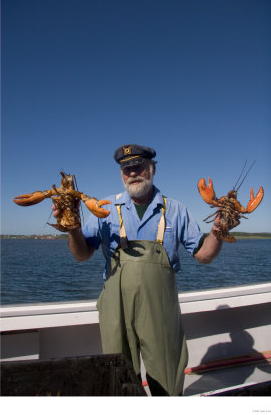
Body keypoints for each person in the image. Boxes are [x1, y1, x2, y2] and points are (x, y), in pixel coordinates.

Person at [52, 144, 237, 396]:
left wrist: (218, 230)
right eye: (126, 168)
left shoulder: (176, 210)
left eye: (139, 166)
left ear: (152, 168)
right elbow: (82, 254)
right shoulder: (104, 208)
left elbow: (203, 255)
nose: (133, 172)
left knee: (167, 378)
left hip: (161, 309)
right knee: (118, 377)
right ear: (120, 174)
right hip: (115, 308)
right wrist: (72, 226)